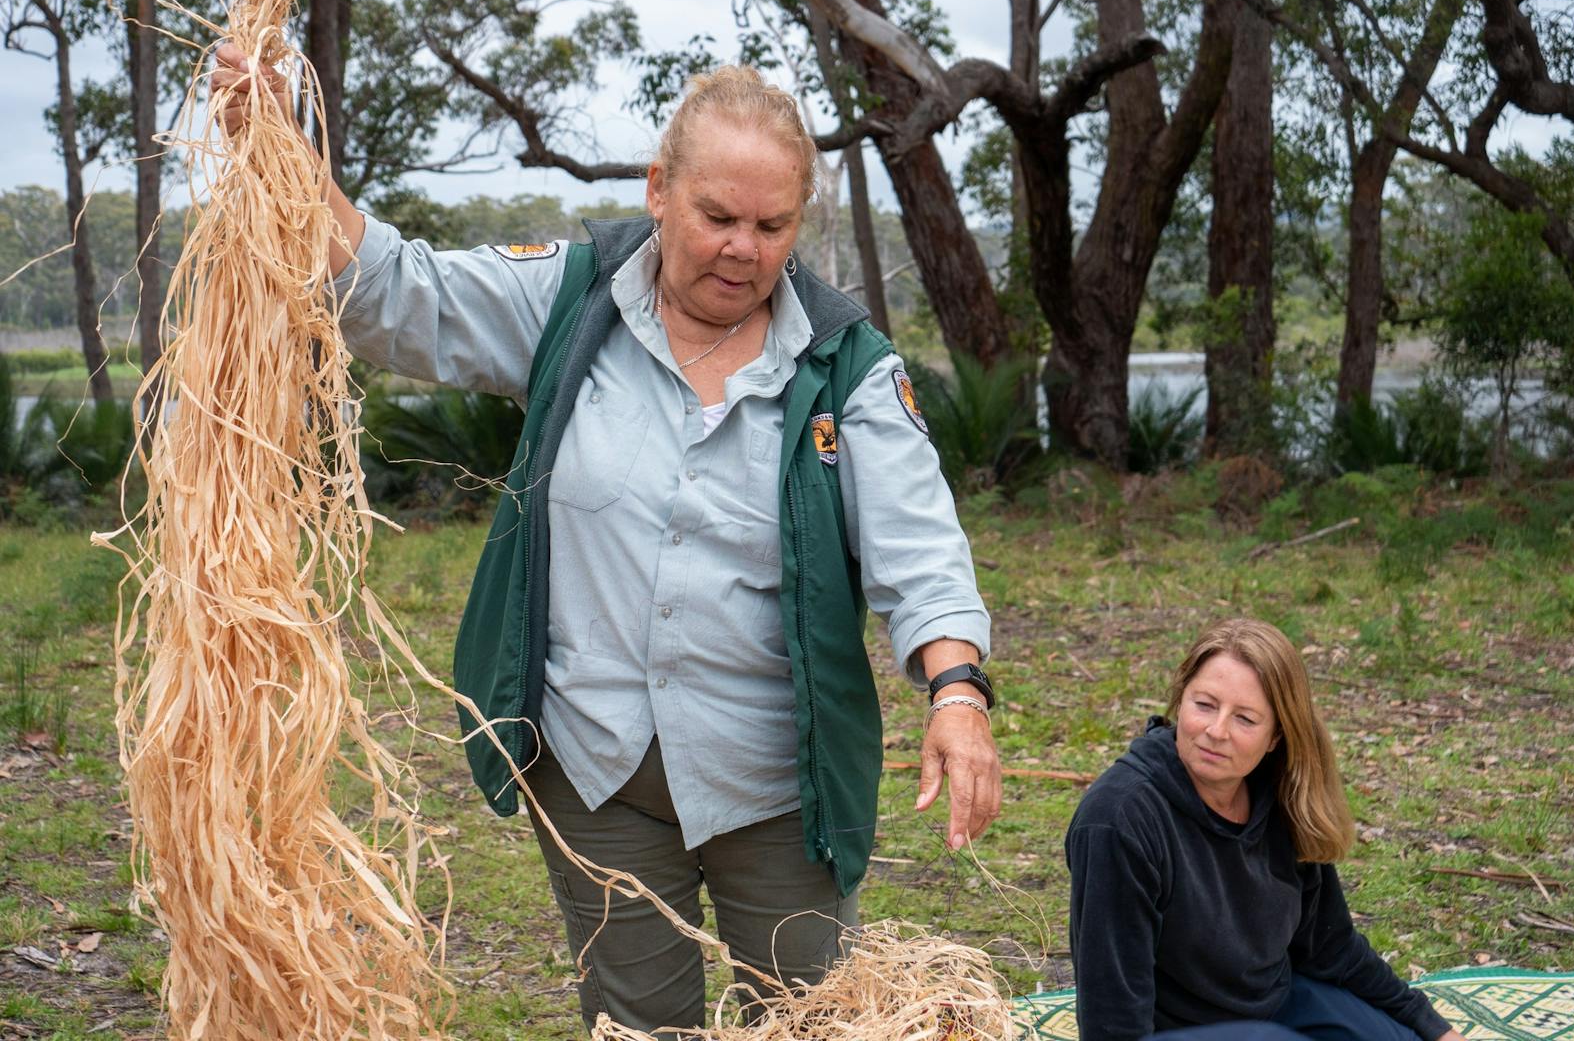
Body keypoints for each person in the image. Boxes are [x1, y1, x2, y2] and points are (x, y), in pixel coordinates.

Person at [210, 51, 1002, 1035]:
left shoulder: (846, 365)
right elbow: (395, 294)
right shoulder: (575, 300)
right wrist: (285, 155)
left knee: (813, 1020)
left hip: (775, 785)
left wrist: (957, 695)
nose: (743, 251)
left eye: (772, 226)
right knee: (635, 1021)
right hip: (595, 772)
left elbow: (919, 549)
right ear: (659, 190)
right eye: (717, 217)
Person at [1064, 619, 1464, 1041]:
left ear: (1276, 736)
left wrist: (1432, 1026)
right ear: (1179, 701)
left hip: (1272, 1006)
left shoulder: (1277, 794)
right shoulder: (1119, 818)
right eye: (1204, 705)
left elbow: (1331, 946)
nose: (1216, 732)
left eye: (1245, 719)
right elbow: (1112, 1021)